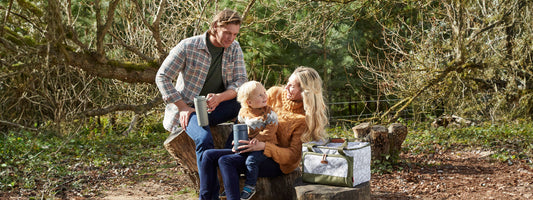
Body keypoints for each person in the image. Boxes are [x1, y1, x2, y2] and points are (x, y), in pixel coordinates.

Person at [199, 67, 328, 200]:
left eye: (292, 86)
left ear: (305, 92)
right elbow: (249, 110)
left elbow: (293, 157)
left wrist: (264, 147)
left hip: (275, 161)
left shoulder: (303, 120)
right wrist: (241, 139)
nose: (286, 87)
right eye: (287, 83)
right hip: (251, 147)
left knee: (226, 161)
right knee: (208, 155)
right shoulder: (274, 93)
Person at [155, 9, 247, 179]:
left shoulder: (234, 48)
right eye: (227, 33)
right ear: (214, 27)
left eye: (235, 34)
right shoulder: (188, 46)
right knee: (204, 139)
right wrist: (182, 107)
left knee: (247, 108)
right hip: (189, 111)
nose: (231, 38)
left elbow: (241, 81)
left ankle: (228, 164)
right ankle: (208, 193)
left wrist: (220, 97)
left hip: (217, 107)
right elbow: (162, 76)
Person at [230, 80, 278, 199]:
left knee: (251, 161)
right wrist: (238, 141)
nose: (264, 96)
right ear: (249, 102)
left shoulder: (269, 112)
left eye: (264, 92)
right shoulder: (243, 112)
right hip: (250, 144)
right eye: (260, 95)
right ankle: (232, 187)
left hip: (265, 145)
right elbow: (241, 128)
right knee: (233, 159)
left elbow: (271, 130)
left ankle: (250, 186)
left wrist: (257, 139)